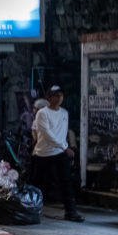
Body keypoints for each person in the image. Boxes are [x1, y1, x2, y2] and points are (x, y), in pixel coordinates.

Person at [31, 85, 84, 222]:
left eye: (61, 95)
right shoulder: (42, 113)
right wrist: (65, 147)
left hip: (59, 153)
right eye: (55, 95)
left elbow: (62, 133)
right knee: (36, 184)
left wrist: (65, 147)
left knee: (66, 183)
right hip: (42, 154)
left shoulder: (64, 113)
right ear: (49, 98)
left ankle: (71, 211)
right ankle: (30, 209)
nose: (59, 98)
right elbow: (47, 134)